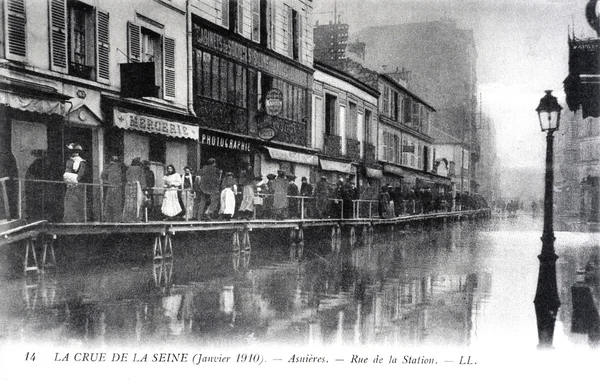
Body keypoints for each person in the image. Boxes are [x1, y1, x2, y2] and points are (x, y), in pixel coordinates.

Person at [25, 149, 52, 221]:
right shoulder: (39, 164)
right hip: (38, 187)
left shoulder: (38, 164)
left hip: (39, 186)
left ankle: (39, 217)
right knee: (39, 202)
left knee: (40, 202)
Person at [63, 143, 87, 222]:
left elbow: (80, 175)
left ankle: (77, 221)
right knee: (69, 203)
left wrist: (73, 179)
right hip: (70, 186)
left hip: (77, 186)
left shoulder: (81, 162)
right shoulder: (70, 161)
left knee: (76, 203)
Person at [101, 156, 124, 222]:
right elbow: (102, 177)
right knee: (110, 204)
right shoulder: (108, 167)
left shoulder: (119, 167)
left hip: (117, 188)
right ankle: (110, 219)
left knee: (116, 204)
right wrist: (108, 183)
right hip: (111, 188)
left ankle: (116, 219)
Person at [123, 157, 146, 222]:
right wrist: (143, 186)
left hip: (129, 186)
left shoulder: (129, 169)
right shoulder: (140, 169)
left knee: (129, 202)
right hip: (137, 186)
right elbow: (142, 179)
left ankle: (128, 218)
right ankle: (137, 218)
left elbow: (127, 177)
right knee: (138, 202)